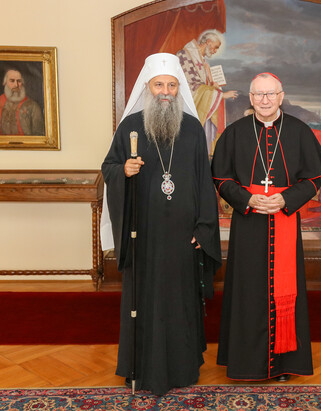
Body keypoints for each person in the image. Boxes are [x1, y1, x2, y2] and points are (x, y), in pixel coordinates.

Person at [101, 53, 221, 395]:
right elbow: (108, 167)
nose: (166, 92)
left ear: (179, 89)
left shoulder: (194, 129)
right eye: (159, 85)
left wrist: (204, 227)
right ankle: (138, 365)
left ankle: (182, 367)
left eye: (172, 85)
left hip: (183, 235)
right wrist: (124, 170)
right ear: (148, 88)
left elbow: (204, 181)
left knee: (180, 299)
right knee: (145, 298)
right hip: (145, 233)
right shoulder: (130, 127)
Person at [211, 72, 321, 382]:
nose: (264, 100)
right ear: (251, 99)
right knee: (247, 289)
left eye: (270, 94)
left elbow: (314, 178)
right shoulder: (235, 132)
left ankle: (283, 364)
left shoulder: (299, 131)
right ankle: (245, 362)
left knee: (284, 288)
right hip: (248, 221)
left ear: (281, 96)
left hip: (284, 220)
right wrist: (248, 199)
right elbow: (221, 178)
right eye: (258, 95)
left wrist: (285, 199)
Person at [176, 29, 238, 153]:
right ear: (208, 42)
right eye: (215, 47)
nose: (215, 51)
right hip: (189, 108)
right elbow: (191, 86)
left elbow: (204, 85)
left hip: (202, 107)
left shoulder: (203, 61)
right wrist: (221, 95)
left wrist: (212, 81)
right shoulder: (185, 55)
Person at [0, 69, 45, 135]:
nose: (16, 85)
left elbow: (39, 135)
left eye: (19, 81)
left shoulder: (33, 106)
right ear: (5, 83)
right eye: (12, 81)